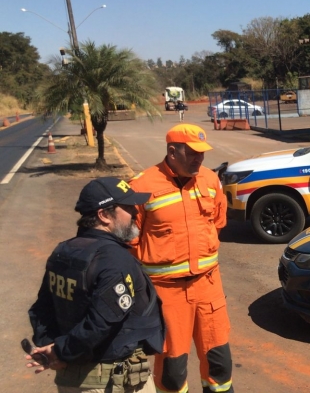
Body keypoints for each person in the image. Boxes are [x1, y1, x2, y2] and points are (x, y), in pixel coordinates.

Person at [27, 177, 164, 393]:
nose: (136, 213)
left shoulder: (63, 251)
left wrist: (53, 349)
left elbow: (41, 311)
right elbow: (100, 323)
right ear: (104, 215)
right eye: (128, 207)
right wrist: (60, 352)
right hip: (110, 383)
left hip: (72, 379)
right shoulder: (115, 259)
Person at [129, 124, 232, 393]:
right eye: (193, 153)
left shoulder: (210, 181)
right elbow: (129, 244)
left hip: (209, 287)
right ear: (172, 152)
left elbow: (218, 223)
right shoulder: (140, 187)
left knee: (219, 362)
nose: (200, 158)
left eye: (202, 153)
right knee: (172, 372)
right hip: (167, 293)